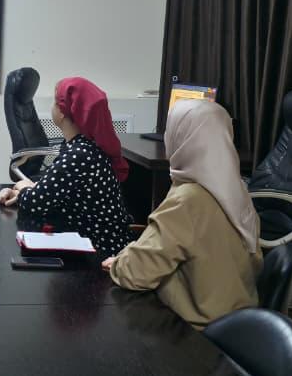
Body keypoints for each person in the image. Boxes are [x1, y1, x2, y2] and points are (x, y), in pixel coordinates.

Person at [101, 99, 262, 328]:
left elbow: (135, 273)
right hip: (240, 321)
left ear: (180, 138)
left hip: (197, 330)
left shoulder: (187, 201)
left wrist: (118, 264)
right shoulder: (236, 189)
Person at [0, 77, 134, 257]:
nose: (52, 107)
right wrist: (27, 190)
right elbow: (53, 191)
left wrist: (23, 188)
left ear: (62, 113)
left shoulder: (79, 155)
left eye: (55, 102)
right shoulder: (81, 146)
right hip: (89, 240)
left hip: (101, 253)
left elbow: (36, 203)